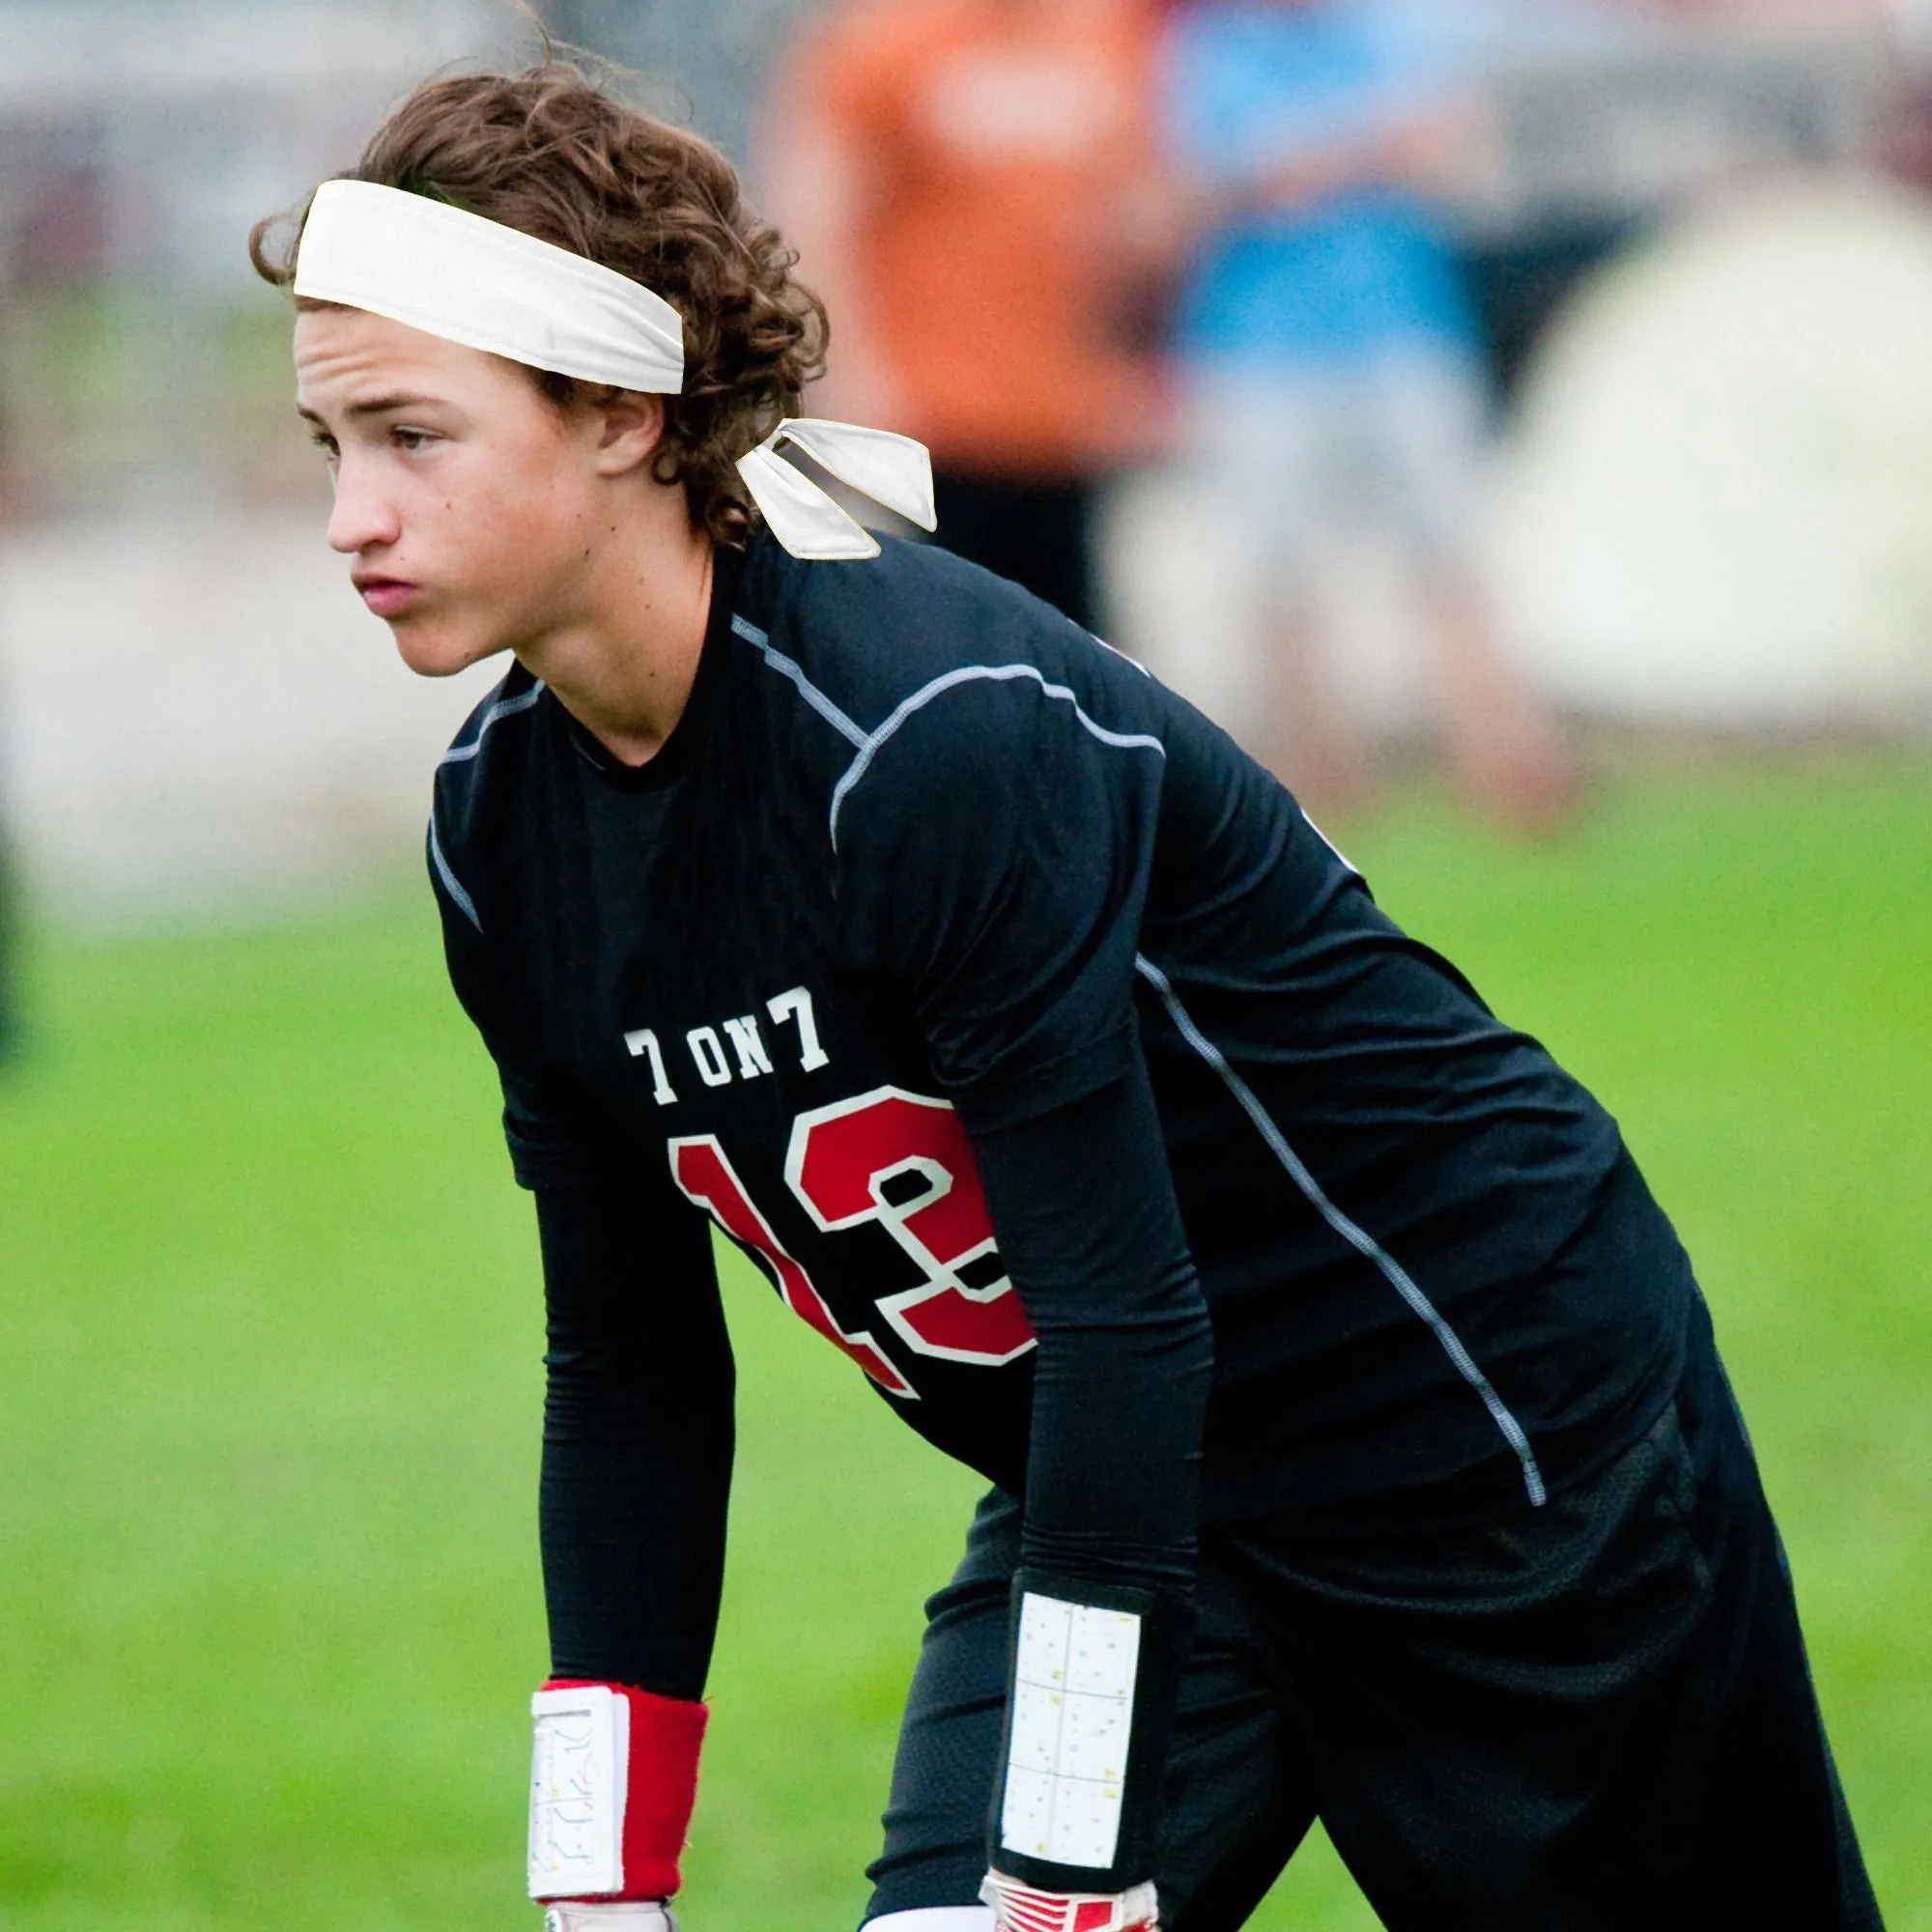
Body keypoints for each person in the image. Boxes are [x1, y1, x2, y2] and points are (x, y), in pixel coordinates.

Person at [254, 62, 1882, 1932]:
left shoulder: (924, 733)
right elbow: (626, 1371)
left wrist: (1055, 1868)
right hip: (1122, 1492)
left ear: (622, 412)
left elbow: (1123, 1316)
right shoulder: (497, 821)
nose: (350, 518)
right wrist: (596, 1890)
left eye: (412, 435)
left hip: (1474, 1435)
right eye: (333, 450)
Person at [1154, 0, 1576, 828]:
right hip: (1258, 347)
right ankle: (1316, 781)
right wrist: (1365, 150)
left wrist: (1300, 165)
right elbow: (1203, 190)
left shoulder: (1396, 33)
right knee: (1277, 577)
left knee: (1453, 557)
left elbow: (1449, 153)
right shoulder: (1208, 51)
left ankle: (1510, 769)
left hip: (1406, 331)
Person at [757, 0, 1170, 632]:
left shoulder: (1101, 35)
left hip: (1064, 426)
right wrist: (849, 371)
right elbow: (819, 216)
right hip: (937, 423)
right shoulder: (890, 41)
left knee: (1074, 659)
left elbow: (1142, 207)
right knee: (948, 649)